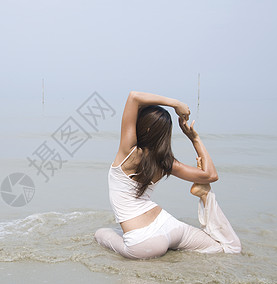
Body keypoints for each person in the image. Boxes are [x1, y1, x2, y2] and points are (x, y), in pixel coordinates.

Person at [94, 91, 241, 259]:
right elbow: (210, 175)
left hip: (143, 243)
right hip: (170, 228)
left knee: (101, 233)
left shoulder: (129, 153)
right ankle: (204, 193)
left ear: (145, 127)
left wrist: (175, 103)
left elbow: (133, 97)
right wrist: (194, 139)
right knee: (227, 248)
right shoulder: (165, 162)